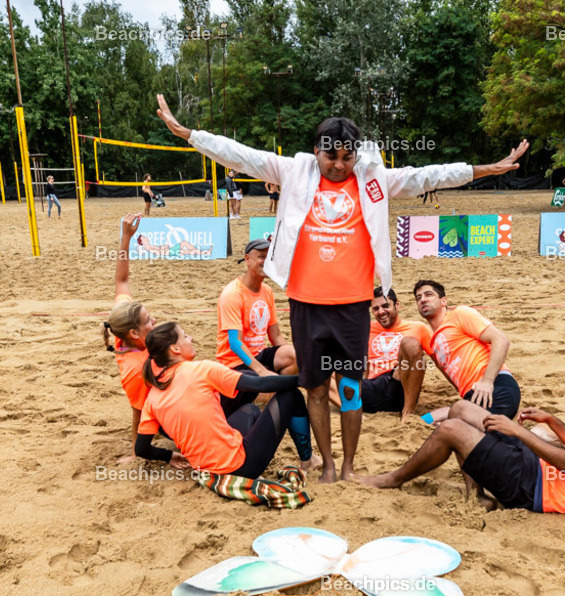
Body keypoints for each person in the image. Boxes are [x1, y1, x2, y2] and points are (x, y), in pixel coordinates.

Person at [155, 93, 529, 482]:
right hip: (305, 303)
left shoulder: (374, 179)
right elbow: (239, 154)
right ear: (316, 151)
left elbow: (428, 175)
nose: (338, 165)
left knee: (350, 387)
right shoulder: (294, 171)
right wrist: (189, 134)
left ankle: (348, 466)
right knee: (315, 388)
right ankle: (329, 466)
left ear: (356, 156)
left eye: (347, 158)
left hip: (352, 306)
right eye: (331, 157)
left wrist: (488, 168)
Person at [360, 395, 565, 515]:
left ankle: (392, 480)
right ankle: (475, 496)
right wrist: (552, 421)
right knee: (462, 408)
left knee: (451, 430)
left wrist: (520, 432)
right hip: (535, 466)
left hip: (535, 488)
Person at [135, 322, 314, 478]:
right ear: (175, 349)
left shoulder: (153, 396)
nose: (191, 339)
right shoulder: (200, 369)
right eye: (185, 336)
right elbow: (260, 385)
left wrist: (169, 456)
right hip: (242, 466)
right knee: (291, 395)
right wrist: (306, 380)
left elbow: (141, 449)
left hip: (205, 469)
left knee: (250, 410)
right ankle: (308, 460)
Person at [413, 280, 520, 422]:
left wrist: (487, 381)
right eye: (418, 298)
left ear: (443, 301)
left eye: (428, 294)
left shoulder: (459, 314)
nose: (423, 300)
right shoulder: (434, 341)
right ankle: (539, 435)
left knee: (463, 432)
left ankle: (539, 437)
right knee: (426, 421)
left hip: (495, 386)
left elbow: (501, 340)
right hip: (472, 398)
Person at [217, 239, 301, 415]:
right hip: (235, 363)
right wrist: (262, 372)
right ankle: (267, 394)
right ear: (247, 259)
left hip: (259, 354)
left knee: (295, 355)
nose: (267, 261)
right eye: (261, 257)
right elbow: (235, 343)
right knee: (261, 383)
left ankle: (271, 394)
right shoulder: (233, 293)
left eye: (270, 257)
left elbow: (276, 335)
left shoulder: (267, 291)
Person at [103, 213, 161, 448]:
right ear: (135, 334)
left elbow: (122, 280)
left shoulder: (123, 319)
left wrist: (126, 237)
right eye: (148, 320)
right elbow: (138, 410)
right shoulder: (136, 368)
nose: (154, 320)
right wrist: (139, 450)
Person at [330, 287, 430, 422]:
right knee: (319, 366)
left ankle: (408, 413)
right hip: (371, 387)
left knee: (410, 344)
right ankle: (353, 410)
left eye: (385, 306)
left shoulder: (417, 327)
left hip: (398, 382)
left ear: (397, 305)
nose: (381, 312)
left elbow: (442, 357)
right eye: (376, 309)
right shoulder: (366, 328)